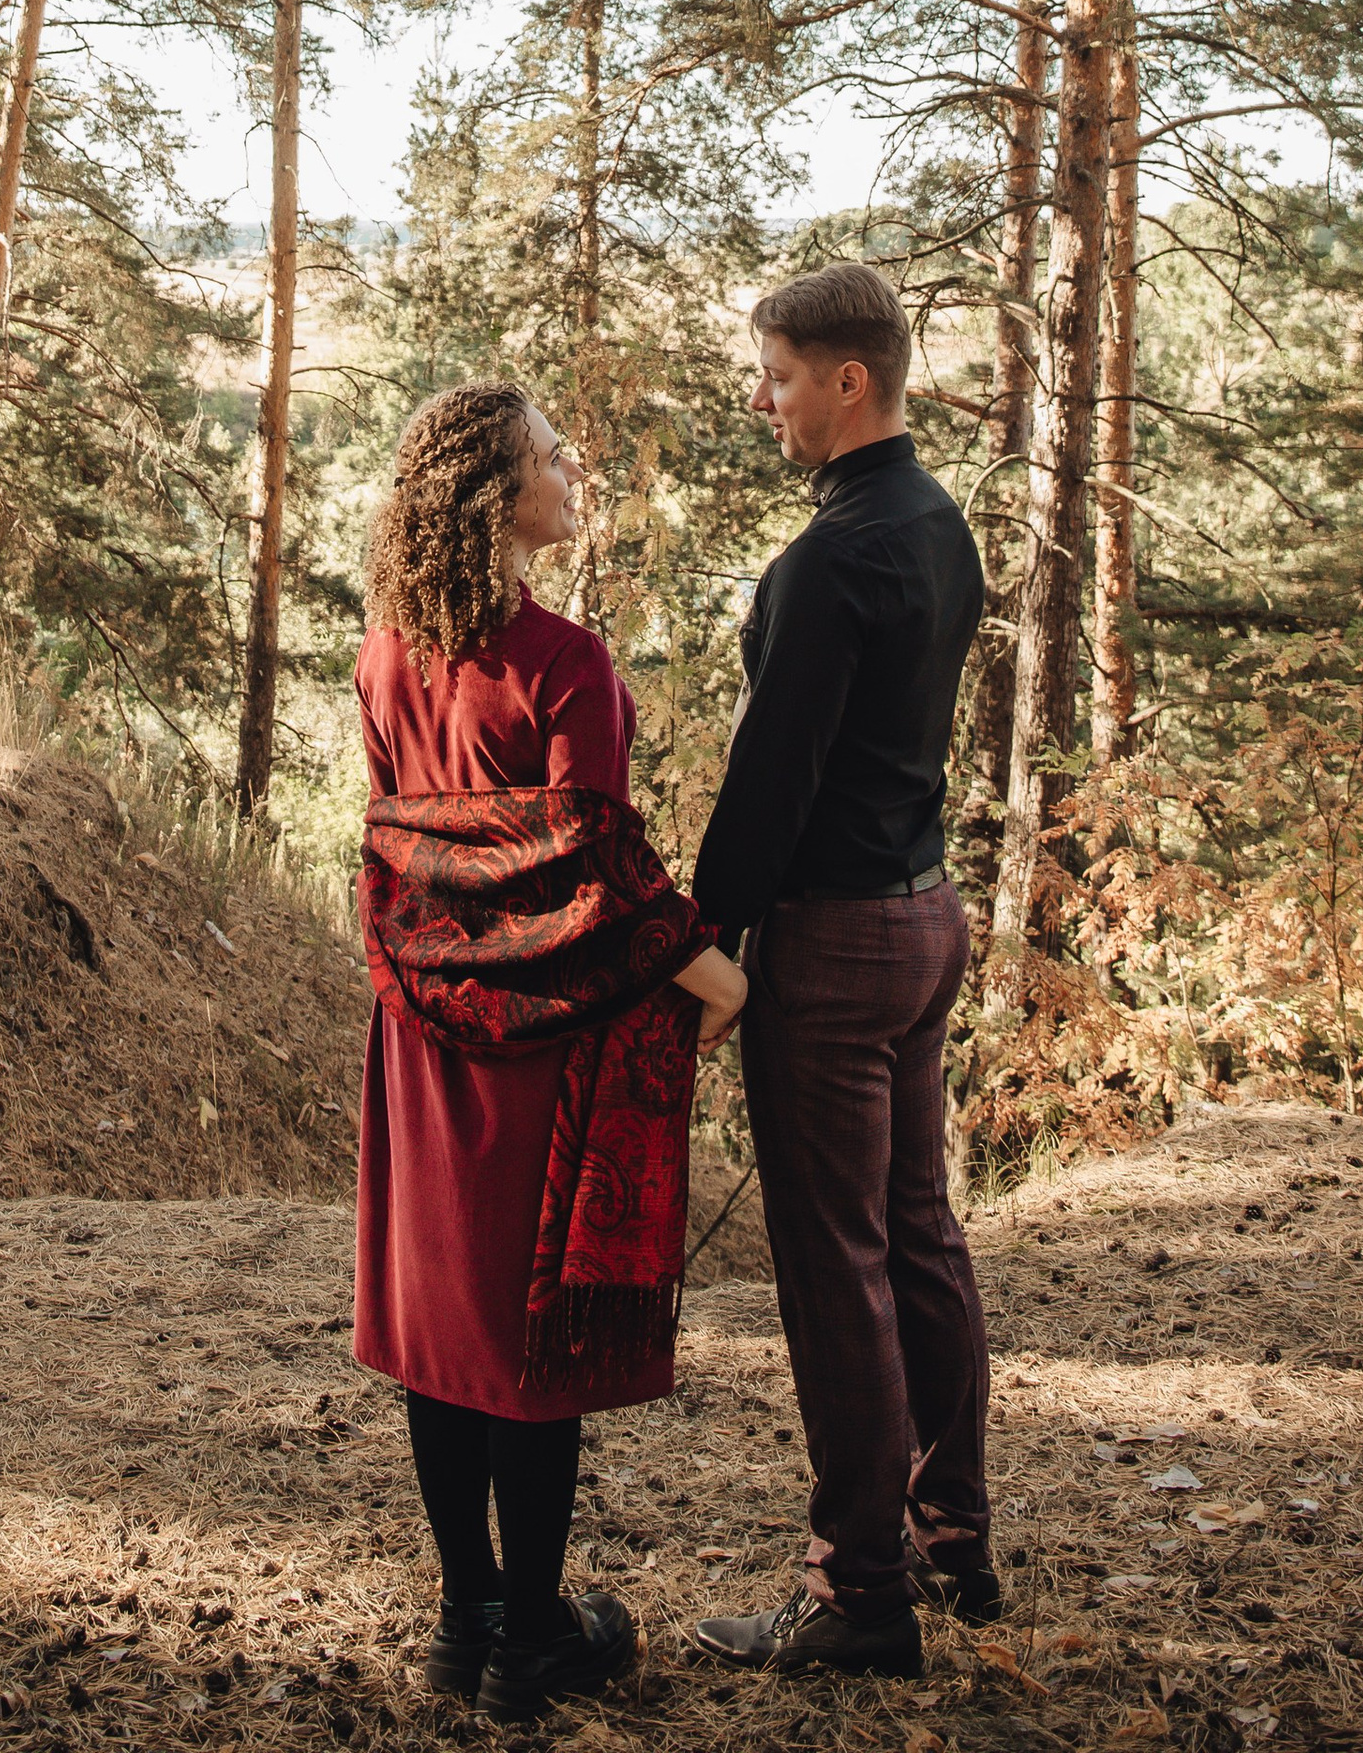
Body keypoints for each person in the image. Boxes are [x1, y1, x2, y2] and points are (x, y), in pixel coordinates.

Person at [354, 380, 747, 1725]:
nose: (571, 467)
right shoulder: (565, 662)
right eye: (544, 456)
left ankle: (467, 1621)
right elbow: (590, 865)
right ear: (492, 499)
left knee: (443, 1329)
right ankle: (533, 1634)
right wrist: (713, 973)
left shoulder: (383, 653)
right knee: (525, 1336)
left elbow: (410, 844)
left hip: (421, 1038)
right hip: (538, 1048)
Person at [687, 261, 996, 1681]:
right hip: (929, 921)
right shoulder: (941, 527)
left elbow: (769, 783)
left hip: (837, 940)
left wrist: (699, 944)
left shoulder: (830, 561)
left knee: (838, 1269)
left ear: (849, 380)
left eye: (781, 377)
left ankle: (859, 1593)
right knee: (919, 1234)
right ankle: (953, 1536)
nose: (767, 402)